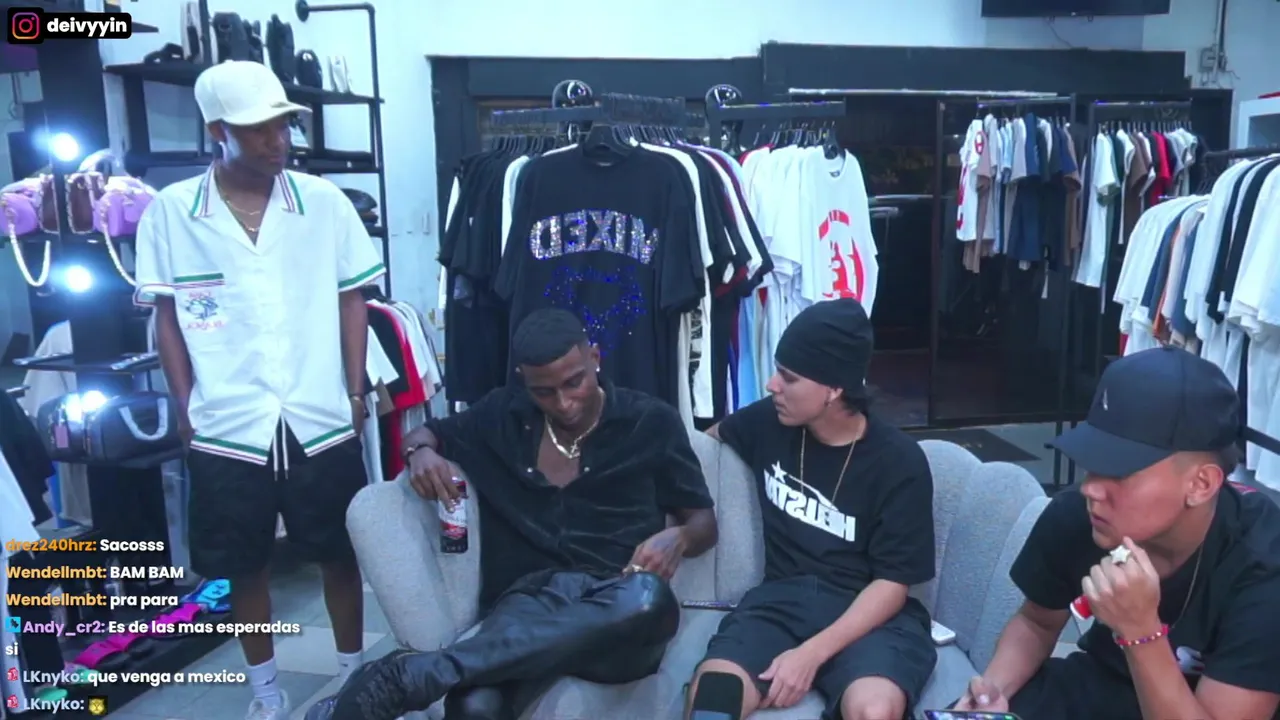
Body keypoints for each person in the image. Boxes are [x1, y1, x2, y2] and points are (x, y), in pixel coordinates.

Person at [305, 308, 719, 720]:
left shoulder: (650, 422)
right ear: (524, 381)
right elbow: (426, 433)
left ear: (594, 357)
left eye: (574, 382)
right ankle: (430, 673)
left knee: (648, 602)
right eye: (545, 392)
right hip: (528, 604)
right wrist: (420, 452)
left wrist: (680, 537)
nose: (564, 402)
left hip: (615, 605)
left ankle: (417, 674)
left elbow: (704, 524)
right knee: (472, 707)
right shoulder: (502, 417)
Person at [133, 61, 384, 720]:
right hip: (226, 420)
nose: (279, 140)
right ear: (218, 131)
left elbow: (352, 299)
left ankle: (353, 677)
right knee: (244, 564)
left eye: (283, 125)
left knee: (340, 552)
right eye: (259, 129)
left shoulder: (323, 204)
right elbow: (167, 316)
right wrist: (184, 407)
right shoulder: (171, 213)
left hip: (319, 412)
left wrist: (355, 392)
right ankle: (266, 694)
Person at [956, 346, 1280, 720]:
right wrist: (992, 696)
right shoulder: (1080, 515)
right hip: (1098, 685)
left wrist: (1141, 630)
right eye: (1092, 463)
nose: (1091, 488)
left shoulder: (1265, 567)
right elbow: (1036, 621)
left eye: (1119, 471)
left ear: (1201, 484)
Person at [688, 298, 938, 720]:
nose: (772, 385)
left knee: (874, 711)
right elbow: (704, 446)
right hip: (780, 604)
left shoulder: (899, 462)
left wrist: (809, 655)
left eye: (789, 377)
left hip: (867, 617)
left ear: (834, 389)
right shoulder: (767, 422)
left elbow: (892, 586)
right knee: (713, 698)